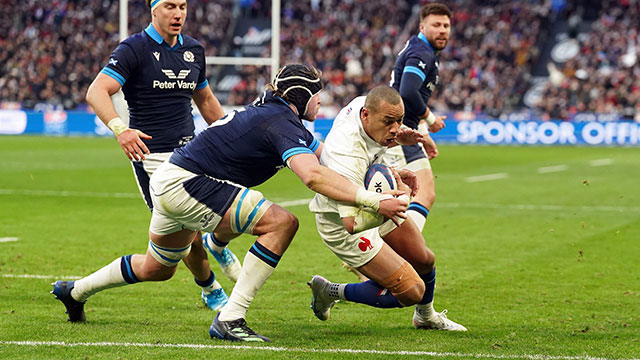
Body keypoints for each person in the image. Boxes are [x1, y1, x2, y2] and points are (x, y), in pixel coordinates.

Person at [51, 64, 411, 342]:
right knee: (282, 223)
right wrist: (372, 200)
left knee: (156, 268)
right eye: (317, 94)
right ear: (301, 96)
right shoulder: (280, 121)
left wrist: (385, 150)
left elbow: (328, 163)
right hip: (189, 183)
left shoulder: (275, 116)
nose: (321, 101)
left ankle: (75, 291)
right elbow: (314, 176)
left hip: (174, 180)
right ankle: (230, 318)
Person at [60, 0, 242, 313]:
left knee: (207, 222)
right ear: (153, 10)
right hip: (153, 160)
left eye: (182, 6)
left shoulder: (194, 50)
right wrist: (121, 130)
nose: (178, 13)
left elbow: (206, 99)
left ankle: (214, 257)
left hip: (193, 153)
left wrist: (231, 134)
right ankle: (211, 285)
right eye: (170, 6)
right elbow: (96, 91)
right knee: (189, 238)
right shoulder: (134, 48)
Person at [308, 85, 466, 331]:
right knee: (411, 290)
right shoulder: (346, 154)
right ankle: (330, 291)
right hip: (342, 224)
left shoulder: (369, 108)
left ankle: (425, 317)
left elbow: (374, 153)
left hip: (371, 201)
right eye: (389, 122)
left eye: (399, 120)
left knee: (424, 259)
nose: (394, 127)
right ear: (366, 116)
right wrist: (389, 205)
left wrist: (398, 158)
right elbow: (352, 224)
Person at [386, 2, 452, 235]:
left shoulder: (421, 50)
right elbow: (408, 92)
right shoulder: (421, 52)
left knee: (403, 195)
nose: (442, 30)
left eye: (446, 25)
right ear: (422, 26)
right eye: (436, 25)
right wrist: (431, 119)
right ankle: (393, 256)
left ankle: (380, 256)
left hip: (403, 127)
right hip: (399, 130)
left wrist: (422, 131)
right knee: (423, 193)